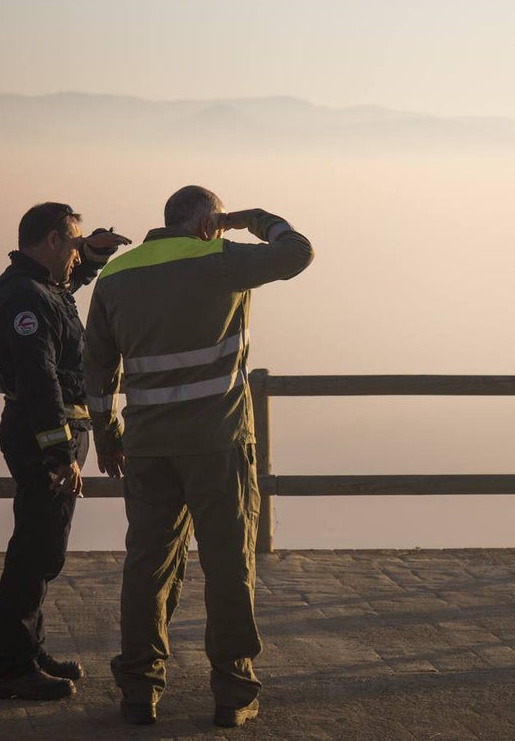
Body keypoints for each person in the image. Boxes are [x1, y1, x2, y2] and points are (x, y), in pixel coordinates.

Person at [84, 185, 313, 727]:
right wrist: (254, 218)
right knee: (229, 565)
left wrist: (105, 433)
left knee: (147, 566)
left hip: (145, 447)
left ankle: (140, 691)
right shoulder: (218, 259)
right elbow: (298, 251)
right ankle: (233, 695)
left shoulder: (116, 275)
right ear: (208, 223)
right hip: (218, 443)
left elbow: (97, 370)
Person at [0, 202, 130, 700]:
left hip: (57, 432)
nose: (75, 257)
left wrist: (92, 256)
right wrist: (59, 455)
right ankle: (10, 667)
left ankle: (29, 649)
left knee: (42, 547)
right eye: (72, 245)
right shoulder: (25, 295)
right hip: (41, 435)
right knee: (35, 551)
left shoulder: (39, 286)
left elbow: (65, 287)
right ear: (50, 241)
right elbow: (38, 379)